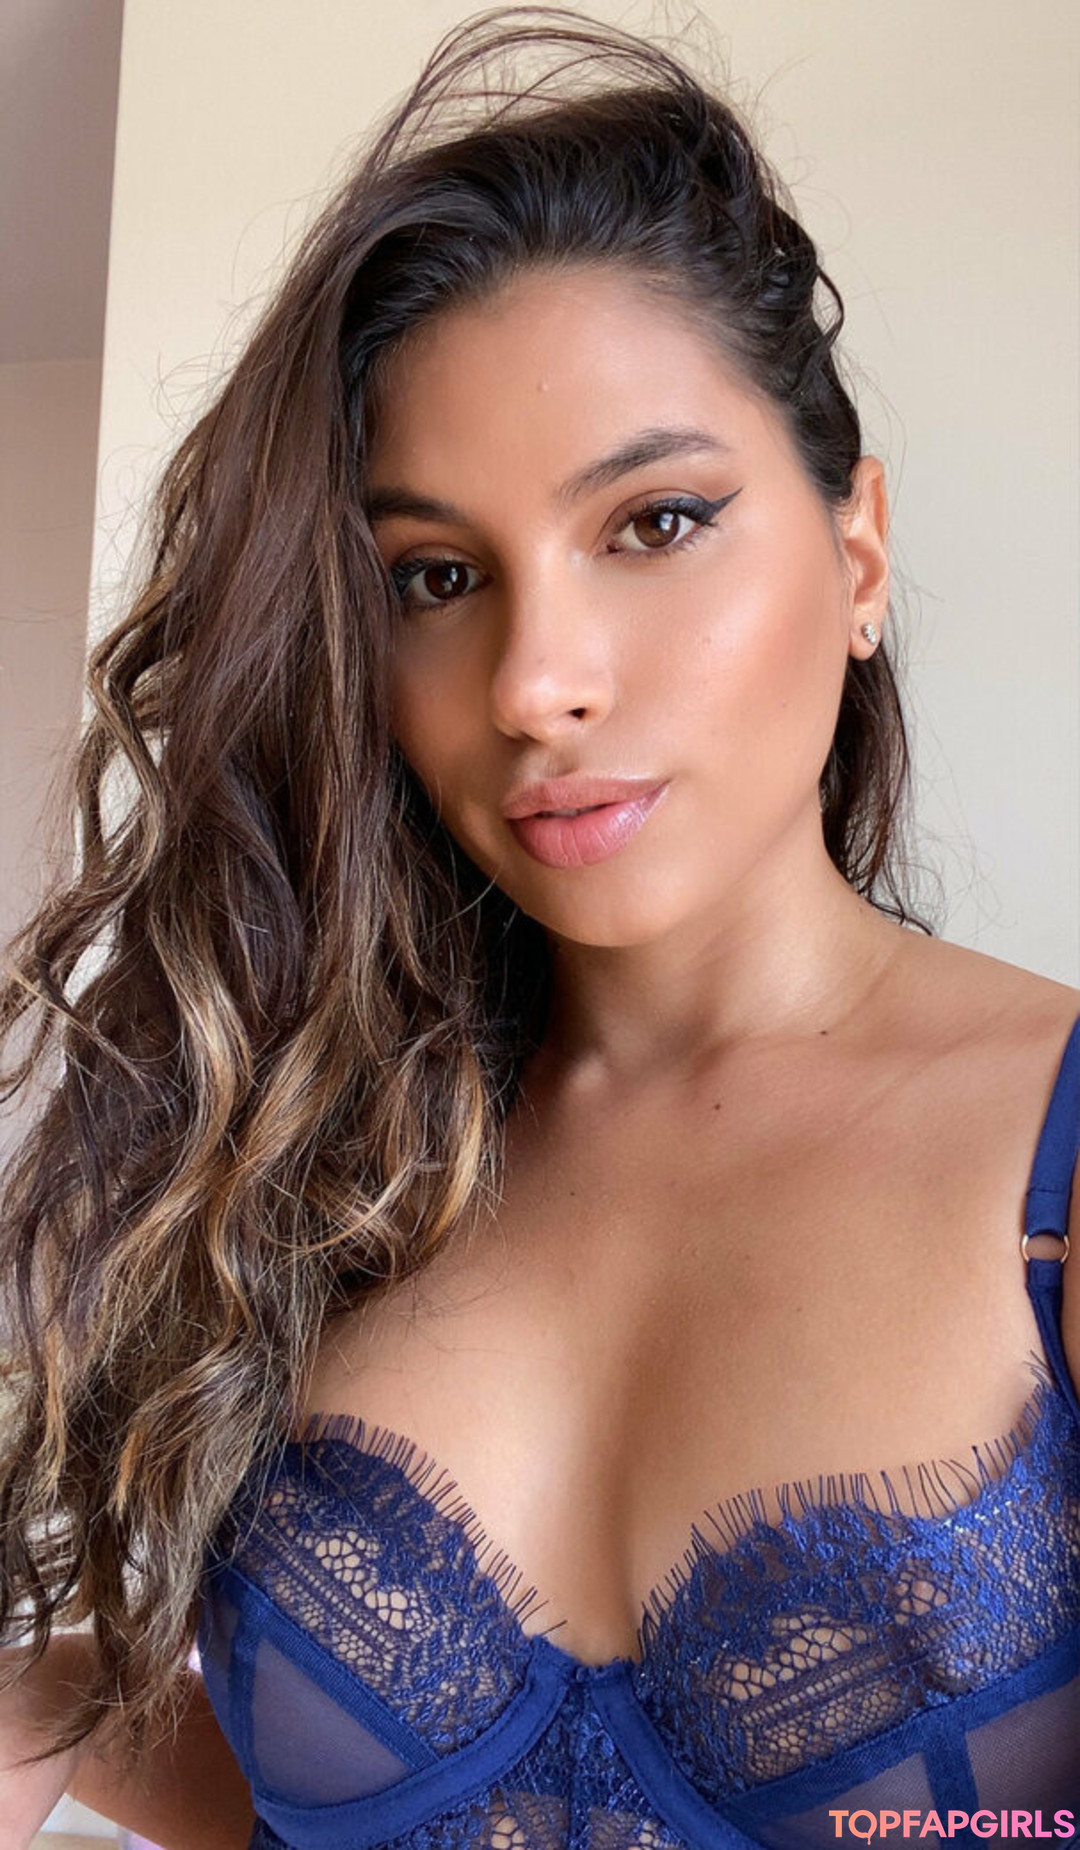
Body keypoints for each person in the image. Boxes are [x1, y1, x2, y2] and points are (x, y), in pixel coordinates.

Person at [2, 8, 1078, 1846]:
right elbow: (344, 1794)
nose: (535, 681)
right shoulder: (325, 1164)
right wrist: (53, 1703)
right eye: (436, 576)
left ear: (858, 552)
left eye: (654, 522)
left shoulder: (1048, 1159)